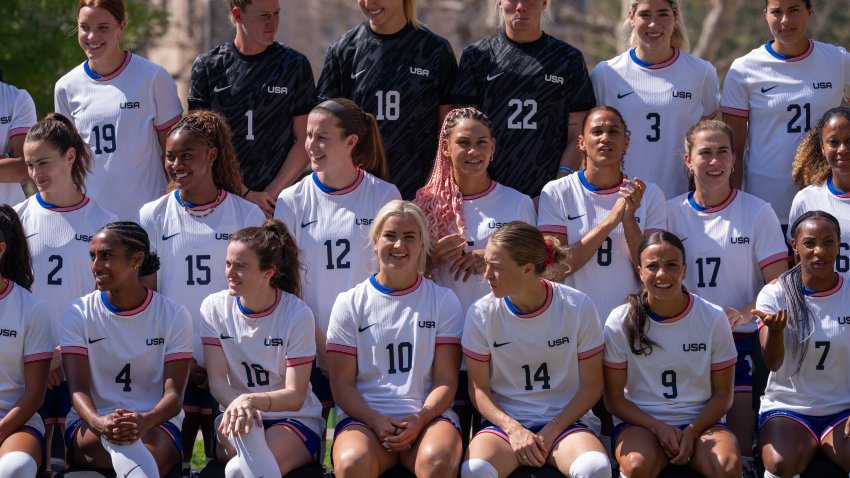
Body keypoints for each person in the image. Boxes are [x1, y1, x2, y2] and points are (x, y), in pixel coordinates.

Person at [138, 109, 265, 473]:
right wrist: (177, 356)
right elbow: (150, 295)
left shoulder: (247, 216)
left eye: (187, 155)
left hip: (230, 361)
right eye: (171, 156)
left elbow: (254, 297)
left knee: (224, 462)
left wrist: (219, 361)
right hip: (172, 358)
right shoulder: (151, 215)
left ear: (212, 155)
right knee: (168, 460)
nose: (177, 164)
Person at [665, 120, 788, 470]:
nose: (714, 160)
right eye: (705, 152)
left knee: (737, 450)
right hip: (682, 340)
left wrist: (746, 313)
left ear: (735, 160)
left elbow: (777, 282)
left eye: (723, 152)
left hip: (739, 341)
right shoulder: (670, 213)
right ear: (688, 160)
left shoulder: (757, 211)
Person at [414, 107, 535, 438]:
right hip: (442, 348)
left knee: (490, 453)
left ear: (493, 148)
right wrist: (431, 258)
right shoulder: (423, 204)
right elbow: (407, 279)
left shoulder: (517, 203)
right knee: (446, 449)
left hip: (500, 347)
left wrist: (492, 258)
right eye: (463, 143)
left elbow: (536, 272)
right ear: (446, 148)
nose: (473, 152)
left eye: (482, 143)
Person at [274, 98, 400, 412]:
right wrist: (321, 344)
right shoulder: (291, 200)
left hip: (368, 342)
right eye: (308, 136)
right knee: (307, 439)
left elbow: (392, 275)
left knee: (359, 439)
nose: (310, 146)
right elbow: (285, 280)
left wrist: (353, 345)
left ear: (351, 142)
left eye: (321, 137)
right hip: (307, 341)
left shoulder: (384, 195)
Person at [460, 222, 610, 478]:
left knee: (595, 468)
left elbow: (592, 386)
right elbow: (479, 389)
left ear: (527, 269)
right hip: (505, 428)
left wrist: (552, 430)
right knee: (476, 470)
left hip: (566, 424)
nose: (487, 274)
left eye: (496, 267)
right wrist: (514, 428)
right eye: (486, 263)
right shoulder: (480, 314)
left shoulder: (578, 306)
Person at [326, 200, 463, 478]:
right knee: (353, 461)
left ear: (423, 245)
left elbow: (446, 380)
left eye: (409, 237)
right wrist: (375, 420)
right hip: (366, 420)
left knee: (437, 460)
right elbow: (341, 385)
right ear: (375, 241)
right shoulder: (349, 303)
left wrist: (420, 417)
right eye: (390, 235)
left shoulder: (443, 301)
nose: (399, 245)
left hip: (427, 418)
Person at [17, 113, 117, 465]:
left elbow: (109, 301)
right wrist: (41, 356)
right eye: (29, 165)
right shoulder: (16, 220)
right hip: (29, 363)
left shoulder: (105, 223)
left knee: (77, 464)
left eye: (43, 162)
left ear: (70, 156)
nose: (35, 173)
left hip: (86, 360)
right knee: (32, 463)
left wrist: (66, 351)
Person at [603, 231, 741, 478]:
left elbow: (723, 395)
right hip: (641, 423)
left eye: (672, 265)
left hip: (702, 421)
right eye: (652, 266)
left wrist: (692, 430)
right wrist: (658, 427)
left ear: (685, 269)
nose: (662, 274)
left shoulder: (712, 317)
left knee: (727, 466)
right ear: (640, 271)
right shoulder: (620, 320)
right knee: (636, 466)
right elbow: (614, 399)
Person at [61, 222, 192, 477]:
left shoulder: (174, 315)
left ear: (137, 260)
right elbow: (77, 389)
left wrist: (143, 421)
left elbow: (174, 396)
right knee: (141, 464)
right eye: (93, 256)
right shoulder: (78, 312)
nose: (96, 266)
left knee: (145, 458)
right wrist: (101, 422)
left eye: (107, 256)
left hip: (154, 423)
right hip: (91, 424)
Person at [201, 220, 324, 478]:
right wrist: (241, 405)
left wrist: (250, 400)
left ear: (268, 272)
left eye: (241, 266)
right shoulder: (213, 308)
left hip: (293, 419)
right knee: (240, 467)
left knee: (237, 471)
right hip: (236, 414)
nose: (230, 273)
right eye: (228, 264)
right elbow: (217, 383)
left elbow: (295, 395)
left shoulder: (297, 314)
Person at [721, 0, 850, 230]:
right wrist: (734, 208)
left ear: (809, 12)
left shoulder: (838, 60)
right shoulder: (743, 69)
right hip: (764, 208)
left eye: (793, 11)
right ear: (765, 15)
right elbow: (734, 152)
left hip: (825, 207)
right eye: (777, 12)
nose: (785, 20)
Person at [452, 0, 596, 198]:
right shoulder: (477, 57)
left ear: (544, 3)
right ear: (500, 3)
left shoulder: (568, 59)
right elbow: (465, 135)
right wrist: (483, 191)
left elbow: (578, 136)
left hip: (547, 196)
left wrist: (556, 189)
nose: (521, 6)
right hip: (487, 193)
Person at [55, 0, 183, 219]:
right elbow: (67, 164)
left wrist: (174, 210)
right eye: (85, 27)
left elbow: (176, 155)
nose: (92, 36)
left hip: (148, 219)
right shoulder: (65, 88)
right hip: (92, 221)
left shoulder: (153, 78)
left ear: (121, 25)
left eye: (103, 27)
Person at [538, 106, 666, 322]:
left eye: (613, 131)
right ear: (581, 142)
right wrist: (609, 222)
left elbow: (652, 273)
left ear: (626, 142)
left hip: (630, 321)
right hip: (572, 320)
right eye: (597, 131)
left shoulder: (649, 193)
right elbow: (554, 270)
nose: (605, 138)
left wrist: (628, 221)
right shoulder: (556, 192)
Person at [317, 0, 457, 199]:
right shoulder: (343, 49)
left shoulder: (435, 50)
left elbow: (447, 128)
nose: (368, 3)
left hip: (421, 192)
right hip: (358, 191)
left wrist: (438, 184)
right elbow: (324, 127)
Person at [189, 0, 316, 216]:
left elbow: (305, 139)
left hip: (277, 203)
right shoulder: (208, 67)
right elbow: (199, 143)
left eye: (277, 13)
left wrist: (270, 195)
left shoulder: (294, 65)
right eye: (264, 16)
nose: (273, 23)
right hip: (222, 200)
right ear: (238, 14)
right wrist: (243, 193)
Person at [753, 210, 850, 477]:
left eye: (828, 242)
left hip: (843, 407)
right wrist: (775, 332)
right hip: (790, 407)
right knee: (780, 462)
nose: (819, 251)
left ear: (838, 245)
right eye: (810, 243)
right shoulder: (775, 294)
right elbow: (772, 363)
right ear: (794, 246)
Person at [590, 0, 719, 198]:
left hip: (680, 200)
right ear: (631, 18)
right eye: (645, 14)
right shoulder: (606, 73)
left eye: (663, 14)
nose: (653, 24)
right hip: (619, 198)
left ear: (676, 18)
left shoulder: (702, 73)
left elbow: (708, 141)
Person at [0, 206, 55, 477]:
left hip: (17, 422)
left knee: (14, 470)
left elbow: (34, 395)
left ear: (0, 249)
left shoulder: (31, 309)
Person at [790, 106, 850, 274]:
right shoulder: (806, 199)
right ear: (823, 148)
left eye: (849, 141)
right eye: (833, 142)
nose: (842, 149)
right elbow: (799, 267)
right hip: (823, 300)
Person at [0, 76, 36, 205]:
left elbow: (22, 168)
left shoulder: (17, 99)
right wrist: (7, 158)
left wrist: (15, 162)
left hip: (7, 219)